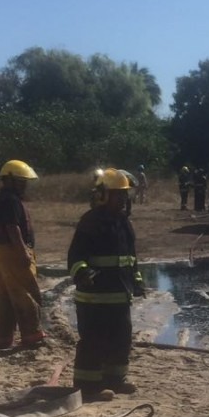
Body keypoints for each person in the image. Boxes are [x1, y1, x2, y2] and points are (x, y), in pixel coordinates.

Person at [68, 168, 144, 396]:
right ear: (102, 195)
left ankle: (115, 380)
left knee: (121, 339)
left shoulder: (123, 222)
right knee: (94, 342)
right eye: (117, 194)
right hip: (94, 298)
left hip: (120, 295)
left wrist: (137, 281)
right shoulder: (90, 221)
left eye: (124, 194)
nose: (123, 199)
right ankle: (88, 387)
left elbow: (130, 257)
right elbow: (75, 257)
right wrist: (82, 272)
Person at [0, 159, 46, 349]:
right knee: (25, 292)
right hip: (13, 252)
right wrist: (22, 251)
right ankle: (32, 336)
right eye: (21, 182)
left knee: (4, 296)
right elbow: (12, 227)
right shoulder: (11, 201)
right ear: (9, 180)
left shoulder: (0, 199)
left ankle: (2, 339)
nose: (24, 186)